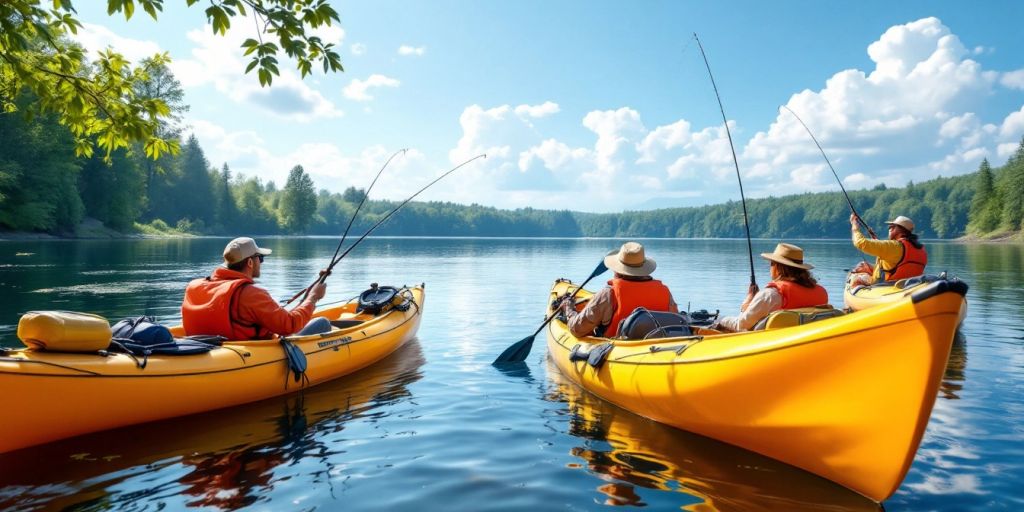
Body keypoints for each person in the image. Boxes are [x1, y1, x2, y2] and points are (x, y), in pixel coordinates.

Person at [182, 237, 330, 340]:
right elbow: (289, 325)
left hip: (215, 348)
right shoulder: (251, 294)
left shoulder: (194, 286)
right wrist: (313, 298)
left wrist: (312, 289)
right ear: (250, 263)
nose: (261, 262)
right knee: (323, 322)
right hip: (253, 355)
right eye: (260, 258)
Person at [561, 241, 679, 338]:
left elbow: (577, 329)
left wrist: (569, 309)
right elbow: (675, 322)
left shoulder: (609, 293)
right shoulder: (664, 291)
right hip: (658, 348)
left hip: (619, 351)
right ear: (643, 267)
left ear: (618, 269)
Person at [713, 243, 828, 333]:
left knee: (719, 321)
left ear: (777, 267)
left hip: (772, 346)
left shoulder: (770, 295)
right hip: (804, 341)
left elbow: (741, 325)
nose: (770, 267)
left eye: (772, 263)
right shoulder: (821, 293)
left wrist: (721, 319)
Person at [849, 214, 928, 284]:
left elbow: (860, 243)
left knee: (855, 278)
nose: (889, 229)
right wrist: (874, 239)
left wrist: (855, 227)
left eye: (892, 227)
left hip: (887, 286)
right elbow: (895, 256)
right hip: (910, 285)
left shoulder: (895, 246)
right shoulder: (920, 248)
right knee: (863, 265)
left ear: (899, 230)